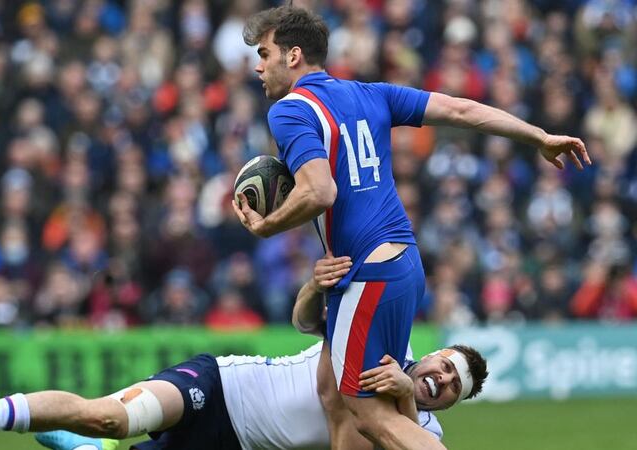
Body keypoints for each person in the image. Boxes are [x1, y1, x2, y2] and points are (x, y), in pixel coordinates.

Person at [232, 5, 588, 450]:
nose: (257, 64)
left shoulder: (289, 111)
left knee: (370, 415)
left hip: (367, 271)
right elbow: (459, 109)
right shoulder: (369, 92)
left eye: (264, 53)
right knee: (340, 399)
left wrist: (266, 226)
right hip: (403, 265)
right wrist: (537, 135)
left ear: (294, 55)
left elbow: (319, 192)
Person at [0, 256, 488, 450]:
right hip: (223, 387)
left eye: (452, 386)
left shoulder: (423, 437)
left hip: (240, 445)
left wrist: (407, 402)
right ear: (433, 352)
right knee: (112, 415)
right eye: (446, 365)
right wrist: (316, 284)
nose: (442, 378)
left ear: (452, 405)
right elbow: (307, 324)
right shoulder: (384, 340)